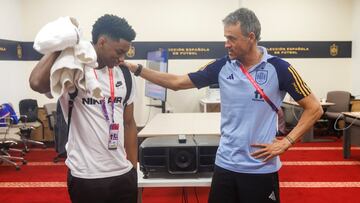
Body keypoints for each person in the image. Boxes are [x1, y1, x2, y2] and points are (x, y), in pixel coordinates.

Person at [126, 8, 323, 203]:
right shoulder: (222, 66)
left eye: (232, 38)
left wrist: (286, 142)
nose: (226, 44)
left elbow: (314, 108)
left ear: (251, 37)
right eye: (225, 37)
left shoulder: (279, 68)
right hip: (225, 165)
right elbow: (177, 82)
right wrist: (137, 69)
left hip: (260, 169)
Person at [29, 14, 138, 203]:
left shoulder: (125, 75)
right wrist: (62, 46)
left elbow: (129, 123)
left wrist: (134, 171)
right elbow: (37, 83)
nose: (122, 58)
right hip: (86, 176)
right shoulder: (73, 68)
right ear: (102, 42)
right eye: (119, 51)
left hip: (122, 173)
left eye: (125, 53)